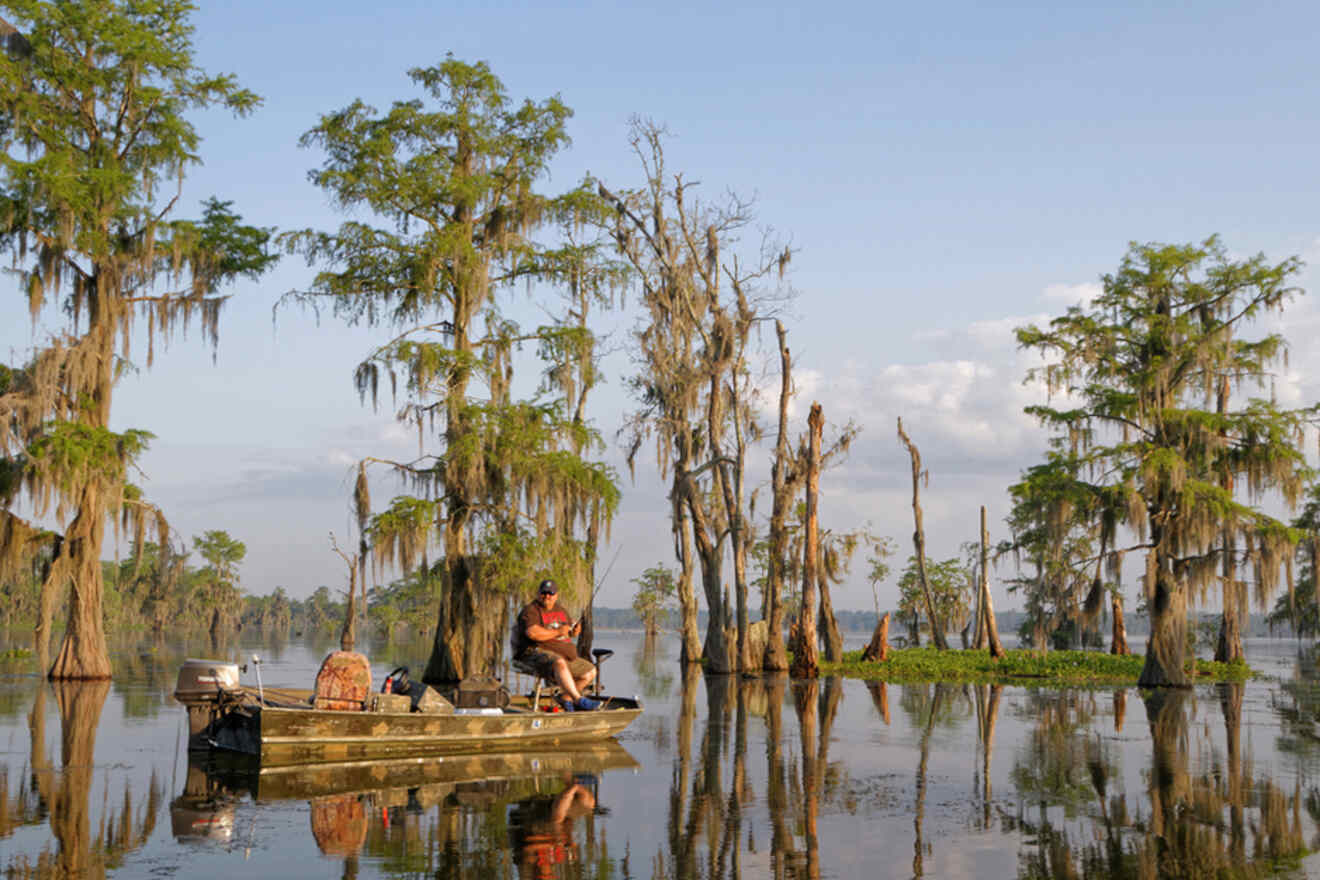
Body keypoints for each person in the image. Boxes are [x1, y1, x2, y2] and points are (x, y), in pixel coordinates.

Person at [512, 579, 599, 711]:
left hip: (563, 654)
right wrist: (558, 631)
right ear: (538, 594)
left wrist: (574, 631)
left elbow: (568, 631)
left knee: (590, 672)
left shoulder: (561, 610)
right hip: (534, 653)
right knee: (559, 662)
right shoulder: (530, 611)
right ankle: (578, 699)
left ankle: (566, 698)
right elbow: (533, 633)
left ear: (556, 595)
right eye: (544, 593)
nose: (547, 596)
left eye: (550, 593)